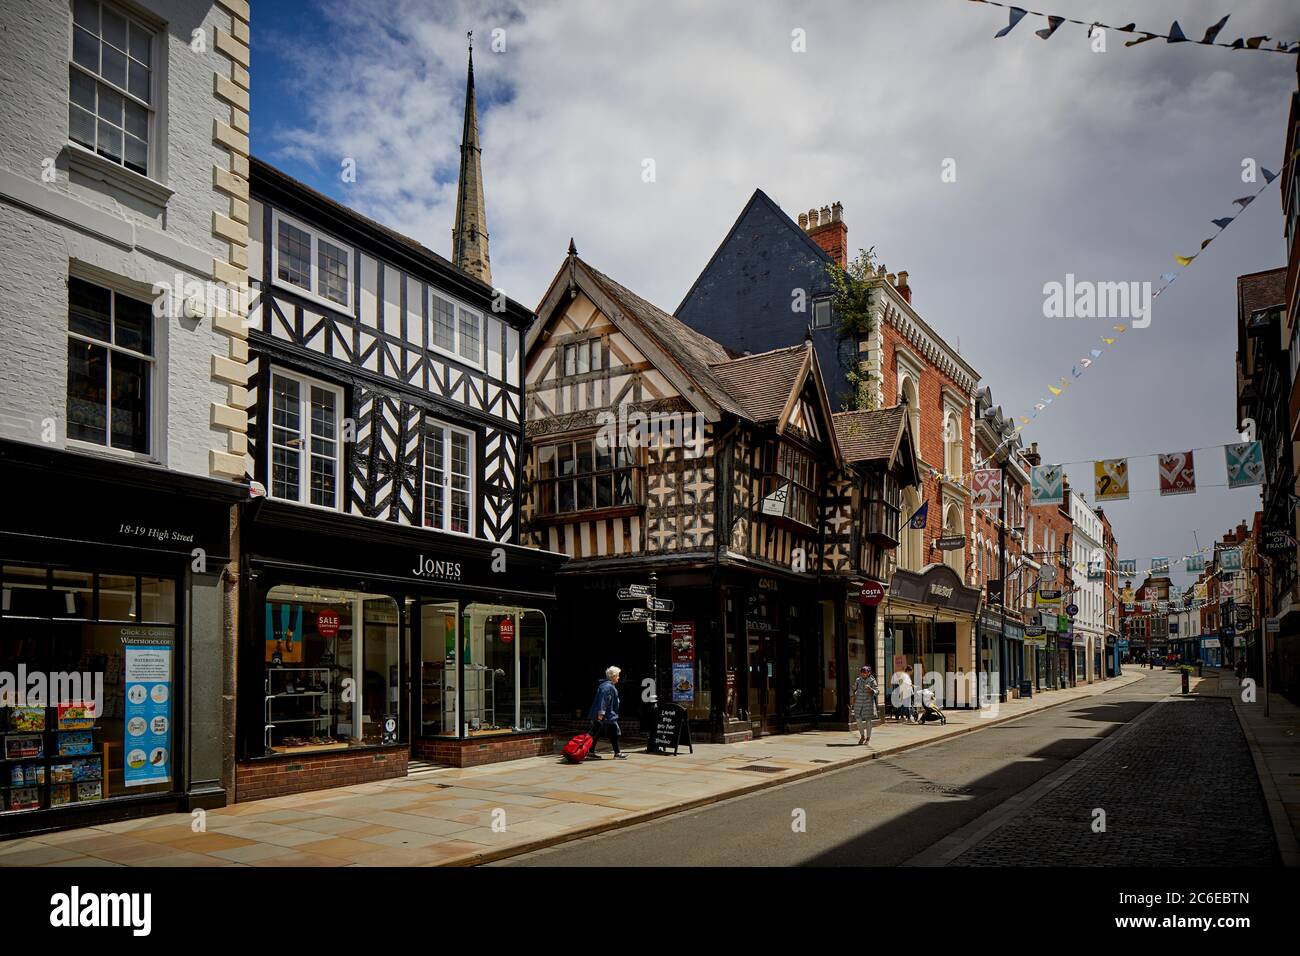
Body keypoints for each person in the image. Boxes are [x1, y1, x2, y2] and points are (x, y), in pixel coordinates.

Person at [587, 666, 625, 759]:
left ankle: (591, 752)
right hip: (608, 716)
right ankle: (617, 753)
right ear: (613, 676)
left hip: (607, 715)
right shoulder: (608, 687)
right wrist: (601, 714)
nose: (619, 677)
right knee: (615, 733)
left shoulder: (607, 685)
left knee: (597, 733)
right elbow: (603, 701)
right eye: (618, 676)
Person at [850, 665, 878, 745]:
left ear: (868, 673)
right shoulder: (858, 680)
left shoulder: (872, 680)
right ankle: (862, 736)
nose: (863, 674)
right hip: (858, 703)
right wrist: (852, 696)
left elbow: (877, 691)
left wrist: (871, 689)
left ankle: (868, 738)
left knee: (868, 721)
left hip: (868, 703)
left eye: (865, 673)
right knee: (858, 719)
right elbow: (853, 688)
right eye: (862, 673)